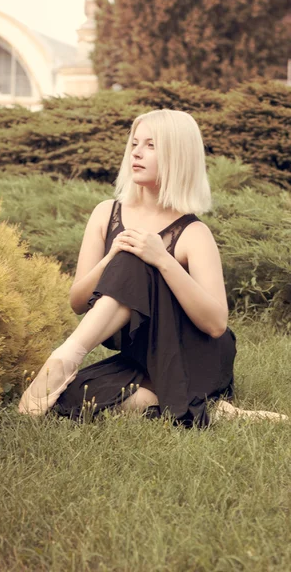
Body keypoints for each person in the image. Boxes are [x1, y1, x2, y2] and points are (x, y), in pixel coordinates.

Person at [18, 109, 288, 427]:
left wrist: (162, 258)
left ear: (177, 156)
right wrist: (110, 258)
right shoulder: (107, 214)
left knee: (138, 257)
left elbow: (216, 325)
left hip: (195, 355)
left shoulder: (193, 232)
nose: (136, 152)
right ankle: (197, 406)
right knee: (71, 395)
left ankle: (67, 356)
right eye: (134, 143)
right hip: (144, 358)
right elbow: (78, 301)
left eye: (151, 145)